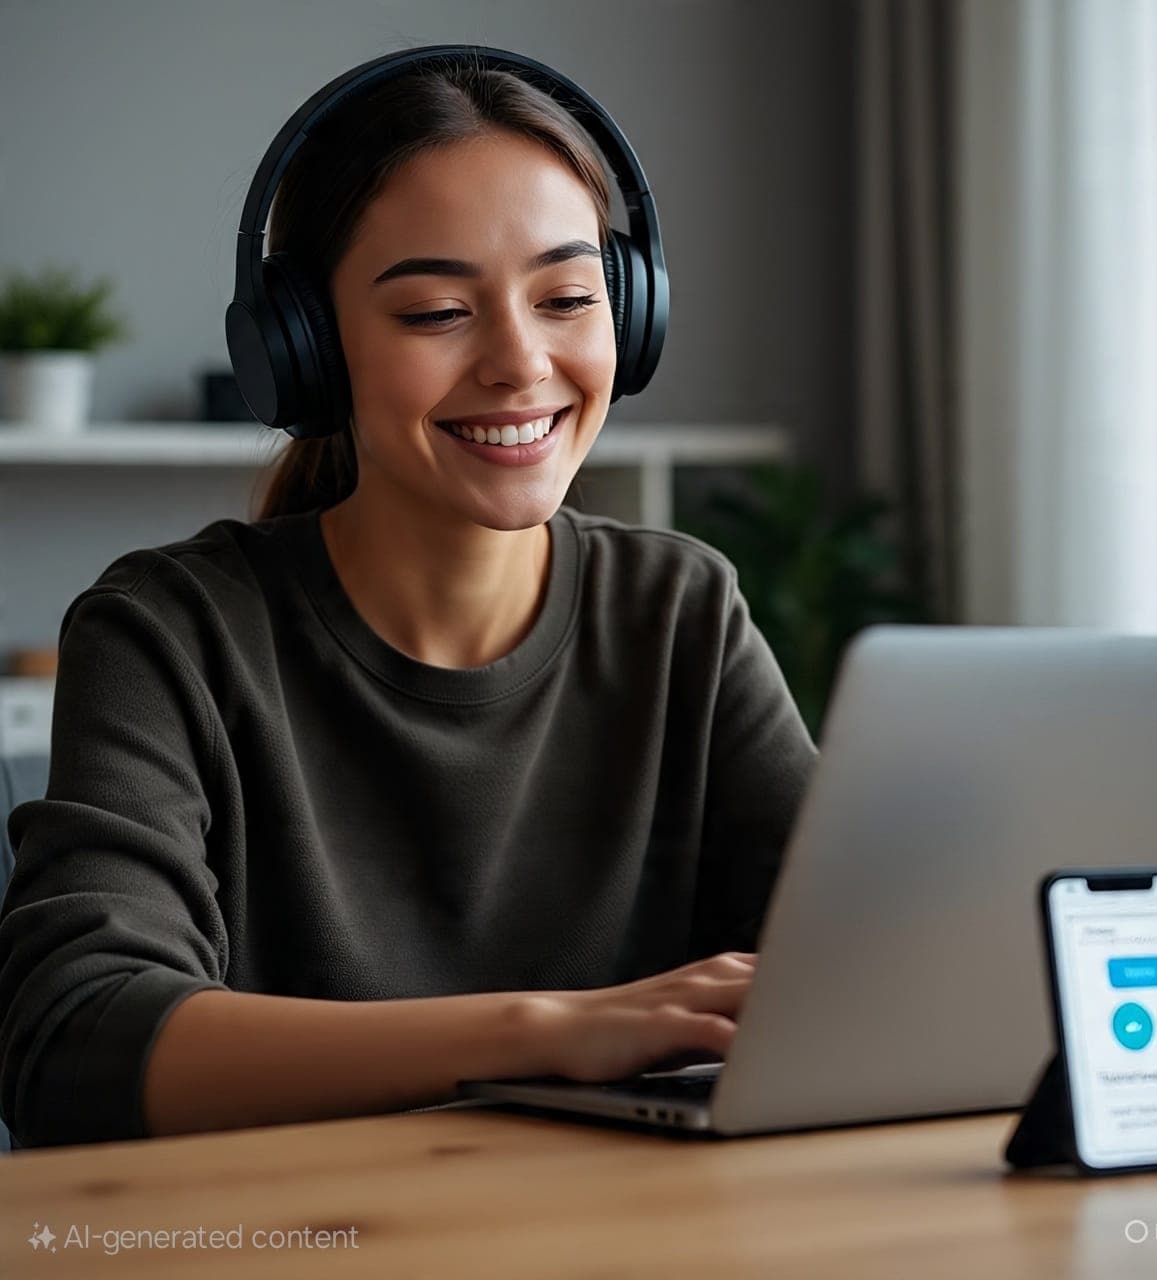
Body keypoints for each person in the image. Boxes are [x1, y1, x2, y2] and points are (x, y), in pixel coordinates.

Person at [0, 55, 817, 1149]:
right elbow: (73, 1039)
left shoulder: (678, 608)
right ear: (308, 353)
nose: (520, 364)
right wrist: (540, 1031)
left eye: (568, 298)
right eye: (437, 311)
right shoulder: (172, 630)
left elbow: (848, 963)